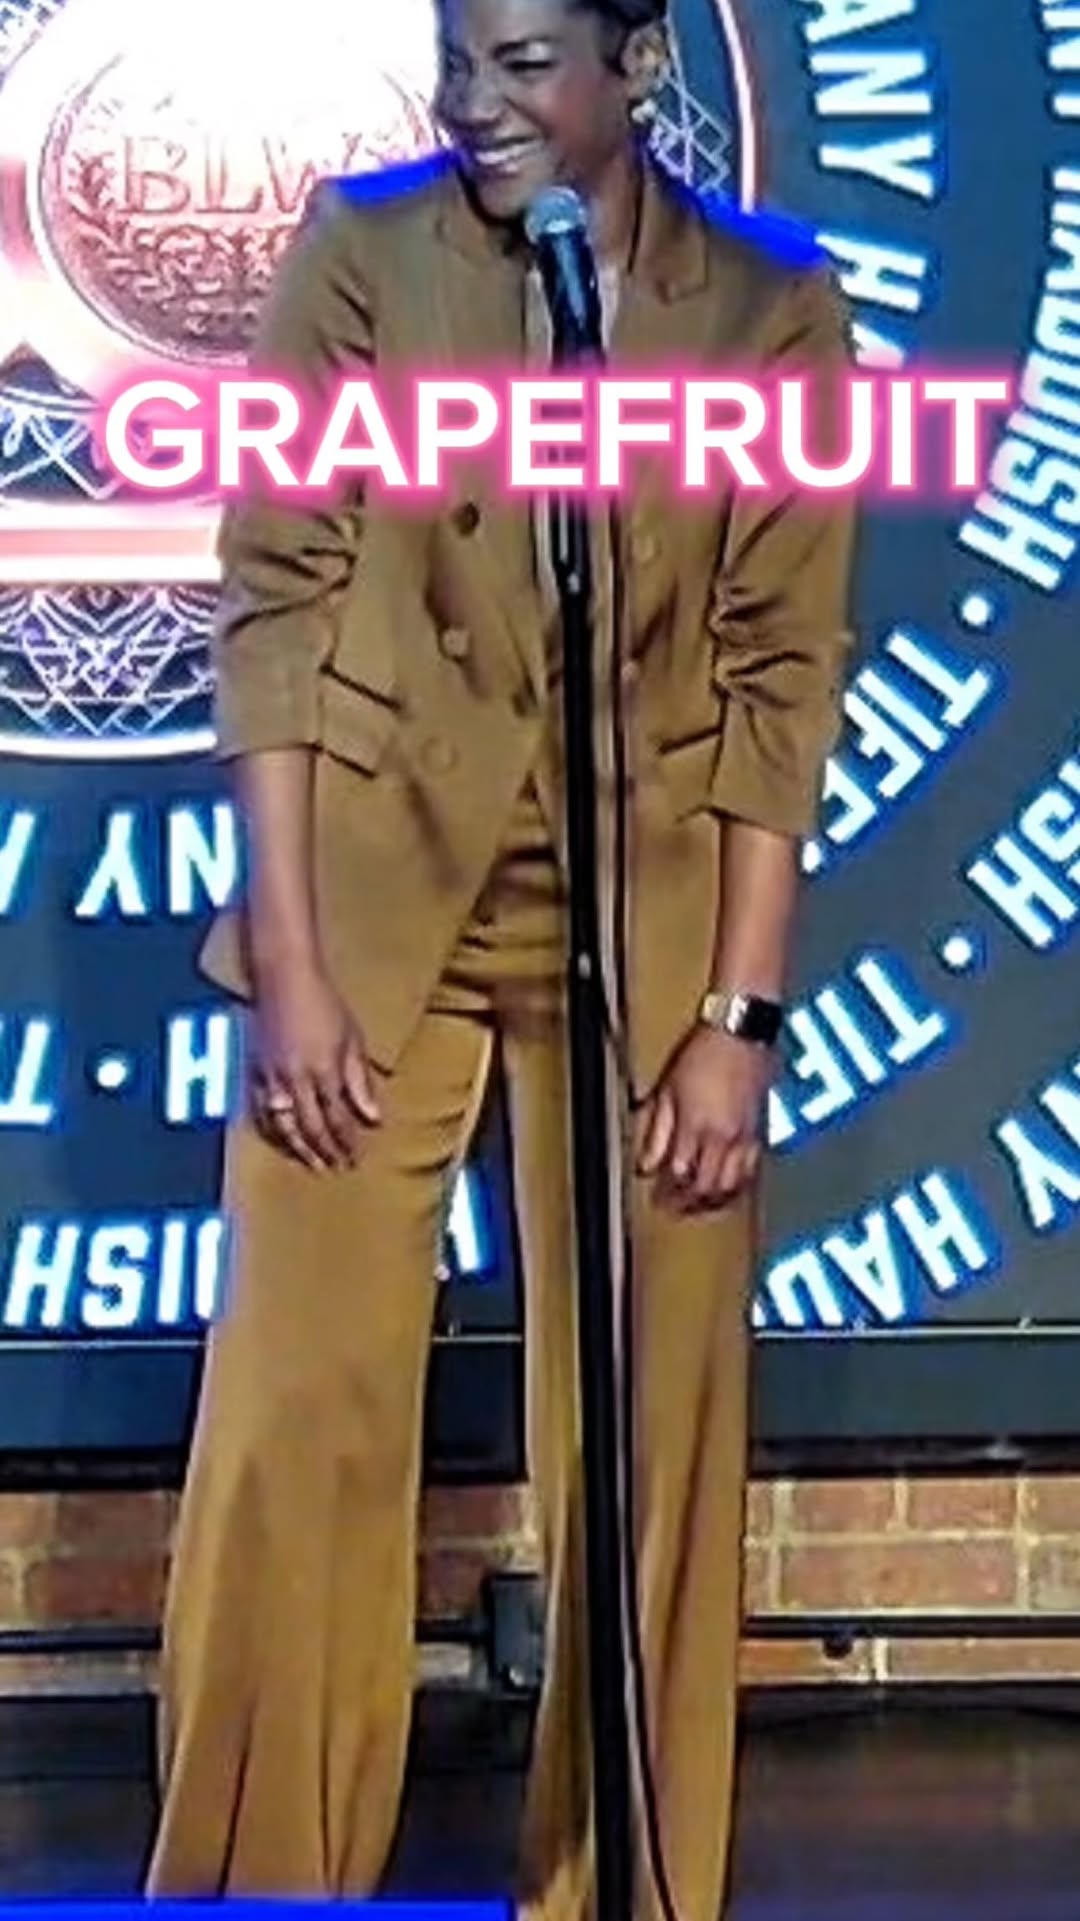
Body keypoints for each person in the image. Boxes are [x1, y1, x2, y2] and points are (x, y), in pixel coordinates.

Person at [145, 0, 855, 1915]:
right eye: (460, 57)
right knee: (297, 1413)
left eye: (527, 62)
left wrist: (737, 1015)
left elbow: (785, 677)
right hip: (375, 899)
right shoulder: (363, 258)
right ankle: (258, 1884)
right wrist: (292, 962)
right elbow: (275, 610)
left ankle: (621, 1888)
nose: (478, 101)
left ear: (641, 65)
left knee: (650, 1439)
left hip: (653, 923)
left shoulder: (769, 306)